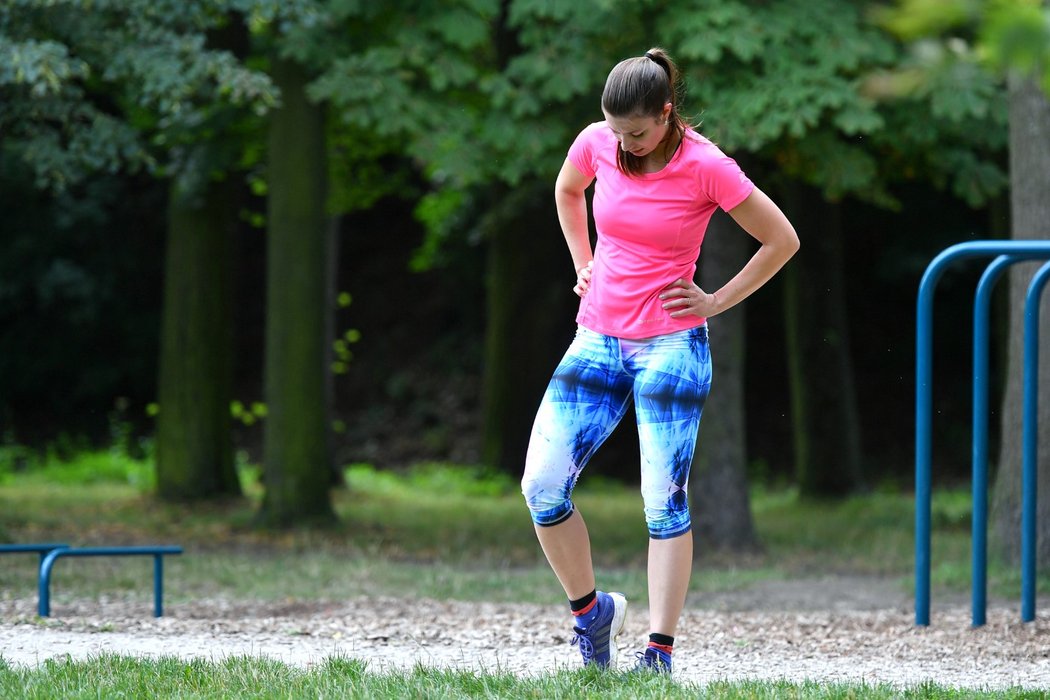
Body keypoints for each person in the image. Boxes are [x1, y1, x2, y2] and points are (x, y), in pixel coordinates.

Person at [520, 47, 799, 674]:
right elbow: (568, 192)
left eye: (638, 132)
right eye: (617, 131)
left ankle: (658, 653)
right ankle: (592, 616)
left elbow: (782, 239)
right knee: (540, 485)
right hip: (597, 336)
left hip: (671, 344)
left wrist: (716, 299)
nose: (625, 144)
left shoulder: (707, 166)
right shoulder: (598, 141)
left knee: (661, 499)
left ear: (667, 114)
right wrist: (582, 264)